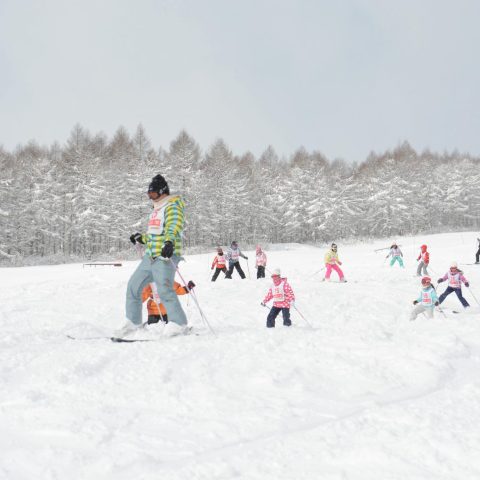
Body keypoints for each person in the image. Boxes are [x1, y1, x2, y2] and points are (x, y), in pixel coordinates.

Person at [118, 174, 187, 336]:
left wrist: (169, 242)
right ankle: (133, 321)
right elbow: (154, 235)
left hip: (165, 255)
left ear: (163, 192)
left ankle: (179, 323)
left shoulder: (172, 205)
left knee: (164, 289)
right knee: (134, 286)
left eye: (154, 194)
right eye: (149, 195)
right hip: (150, 255)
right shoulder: (157, 210)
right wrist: (141, 238)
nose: (151, 198)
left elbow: (174, 225)